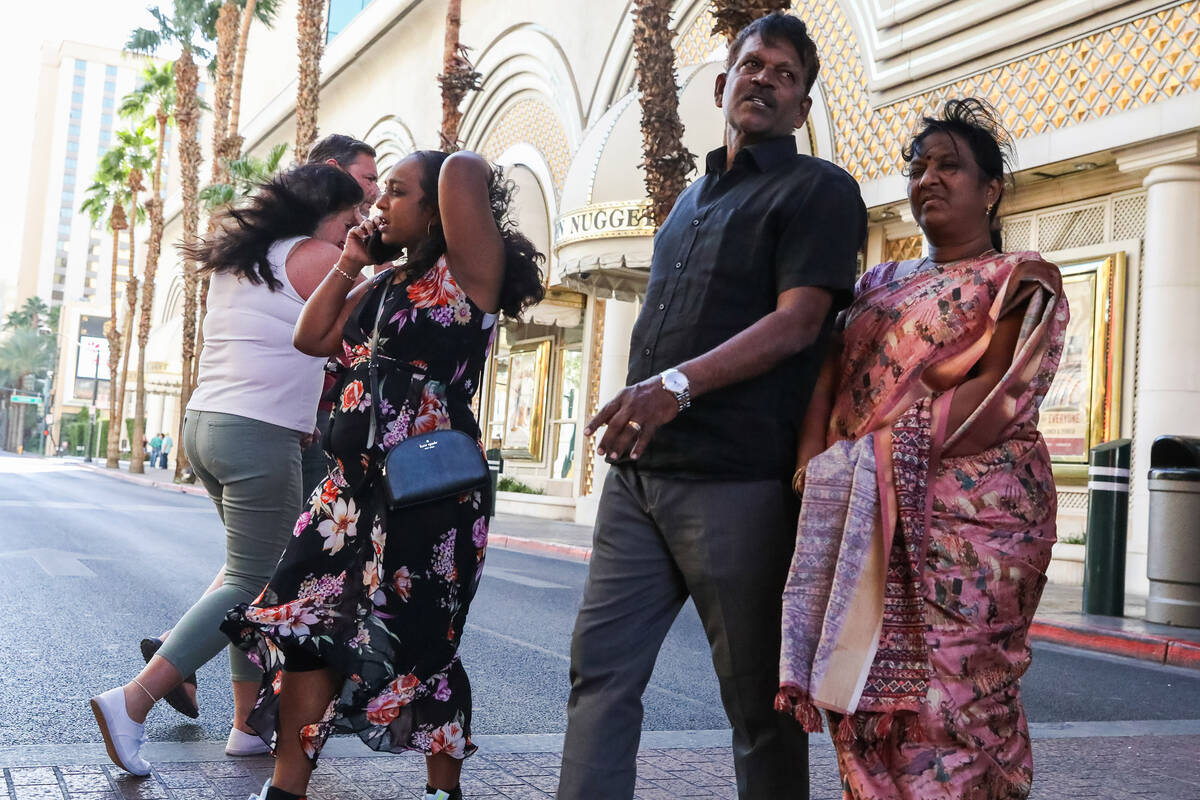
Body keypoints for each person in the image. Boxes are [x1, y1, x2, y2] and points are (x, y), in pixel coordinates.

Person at [557, 13, 866, 800]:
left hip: (737, 487)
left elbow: (801, 322)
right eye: (752, 64)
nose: (764, 79)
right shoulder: (688, 202)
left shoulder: (819, 191)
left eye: (786, 73)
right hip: (636, 483)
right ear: (724, 83)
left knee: (758, 707)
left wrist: (673, 386)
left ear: (801, 108)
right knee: (599, 677)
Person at [220, 149, 544, 800]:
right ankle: (286, 790)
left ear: (438, 211)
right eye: (380, 191)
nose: (378, 203)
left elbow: (464, 170)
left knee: (423, 637)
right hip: (346, 494)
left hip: (431, 493)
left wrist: (438, 169)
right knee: (306, 624)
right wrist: (349, 262)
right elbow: (311, 339)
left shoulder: (470, 274)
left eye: (397, 192)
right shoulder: (383, 284)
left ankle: (439, 790)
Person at [776, 98, 1068, 800]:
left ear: (991, 190)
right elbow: (830, 375)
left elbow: (1000, 392)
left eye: (949, 166)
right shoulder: (877, 282)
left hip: (977, 522)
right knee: (869, 698)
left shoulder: (1017, 278)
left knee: (951, 703)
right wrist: (816, 468)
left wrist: (879, 453)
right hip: (863, 513)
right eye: (918, 166)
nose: (928, 178)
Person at [89, 164, 366, 776]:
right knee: (256, 580)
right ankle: (133, 701)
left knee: (250, 577)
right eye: (351, 218)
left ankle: (246, 726)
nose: (358, 228)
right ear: (326, 217)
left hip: (207, 427)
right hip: (258, 433)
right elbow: (350, 332)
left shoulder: (247, 255)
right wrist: (381, 268)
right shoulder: (319, 256)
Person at [301, 134, 381, 498]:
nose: (377, 193)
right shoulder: (319, 251)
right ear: (333, 171)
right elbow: (377, 312)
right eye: (370, 179)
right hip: (309, 418)